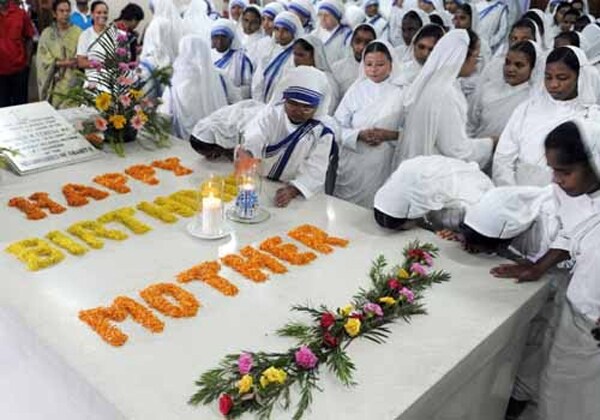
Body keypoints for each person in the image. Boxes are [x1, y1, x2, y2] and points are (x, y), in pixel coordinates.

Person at [493, 119, 600, 420]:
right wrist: (539, 267)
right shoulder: (569, 193)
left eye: (565, 172)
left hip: (595, 319)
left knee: (579, 396)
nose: (555, 180)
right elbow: (571, 231)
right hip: (578, 301)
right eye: (553, 170)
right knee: (556, 385)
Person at [492, 46, 599, 187]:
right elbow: (503, 158)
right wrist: (511, 193)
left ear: (579, 77)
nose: (553, 84)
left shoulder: (591, 118)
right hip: (516, 194)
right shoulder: (528, 109)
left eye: (562, 78)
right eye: (548, 77)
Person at [394, 29, 495, 170]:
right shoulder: (446, 93)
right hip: (432, 173)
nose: (476, 64)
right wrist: (490, 143)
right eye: (476, 57)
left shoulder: (434, 83)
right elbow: (456, 150)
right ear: (462, 56)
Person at [242, 66, 339, 207]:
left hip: (299, 192)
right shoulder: (272, 115)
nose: (298, 111)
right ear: (284, 99)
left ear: (317, 107)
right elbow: (256, 135)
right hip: (265, 184)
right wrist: (248, 153)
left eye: (307, 107)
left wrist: (293, 190)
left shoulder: (323, 131)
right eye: (293, 104)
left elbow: (315, 170)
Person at [334, 41, 404, 208]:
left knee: (374, 207)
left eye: (380, 64)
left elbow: (412, 131)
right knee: (345, 210)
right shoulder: (356, 90)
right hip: (353, 161)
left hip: (383, 162)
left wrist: (389, 135)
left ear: (391, 64)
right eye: (369, 64)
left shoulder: (402, 92)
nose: (373, 69)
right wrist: (358, 135)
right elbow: (336, 126)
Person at [374, 155, 493, 231]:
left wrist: (460, 233)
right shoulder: (403, 177)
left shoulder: (463, 200)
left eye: (401, 229)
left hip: (476, 195)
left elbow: (473, 222)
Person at [468, 41, 541, 140]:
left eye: (519, 65)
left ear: (532, 69)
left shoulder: (533, 100)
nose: (510, 69)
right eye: (507, 62)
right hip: (478, 150)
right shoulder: (488, 89)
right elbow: (470, 123)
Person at [161, 35, 228, 140]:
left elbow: (164, 111)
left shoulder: (176, 79)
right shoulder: (217, 76)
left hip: (180, 141)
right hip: (209, 140)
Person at [36, 0, 82, 109]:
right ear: (54, 14)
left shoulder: (79, 32)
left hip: (73, 81)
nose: (65, 14)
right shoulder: (47, 34)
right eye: (61, 11)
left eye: (67, 11)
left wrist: (75, 61)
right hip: (54, 82)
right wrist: (62, 63)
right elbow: (42, 60)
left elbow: (82, 56)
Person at [251, 11, 303, 103]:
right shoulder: (270, 51)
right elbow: (258, 81)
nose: (280, 34)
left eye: (285, 30)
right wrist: (259, 104)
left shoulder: (297, 56)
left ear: (294, 32)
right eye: (277, 29)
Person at [292, 35, 340, 114]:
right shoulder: (295, 76)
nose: (296, 59)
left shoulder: (327, 81)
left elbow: (328, 110)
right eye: (295, 54)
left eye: (301, 55)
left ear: (314, 56)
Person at [0, 0, 35, 108]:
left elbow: (29, 38)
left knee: (21, 108)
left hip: (19, 70)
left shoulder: (20, 13)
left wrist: (27, 63)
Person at [211, 18, 254, 101]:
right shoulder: (208, 56)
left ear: (231, 39)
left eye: (223, 37)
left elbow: (248, 88)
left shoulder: (241, 59)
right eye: (216, 37)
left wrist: (228, 92)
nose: (219, 41)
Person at [331, 23, 376, 97]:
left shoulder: (380, 71)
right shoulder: (337, 69)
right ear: (351, 42)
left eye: (367, 43)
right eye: (358, 41)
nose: (362, 47)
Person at [76, 0, 108, 87]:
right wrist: (98, 64)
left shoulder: (114, 33)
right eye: (99, 12)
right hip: (92, 82)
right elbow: (80, 62)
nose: (102, 15)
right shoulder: (85, 35)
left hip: (111, 80)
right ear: (92, 15)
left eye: (105, 13)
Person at [314, 0, 351, 65]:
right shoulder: (316, 32)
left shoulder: (347, 36)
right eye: (320, 15)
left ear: (336, 17)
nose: (322, 18)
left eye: (327, 15)